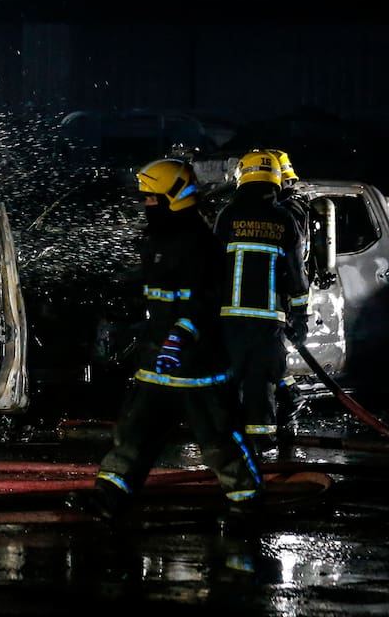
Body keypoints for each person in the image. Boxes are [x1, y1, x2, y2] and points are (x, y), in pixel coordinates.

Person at [66, 157, 263, 524]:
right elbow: (154, 288)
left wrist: (179, 339)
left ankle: (247, 503)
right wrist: (116, 290)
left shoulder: (201, 244)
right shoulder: (159, 239)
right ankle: (108, 498)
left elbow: (204, 302)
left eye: (152, 198)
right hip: (157, 362)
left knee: (219, 438)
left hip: (197, 367)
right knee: (133, 435)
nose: (146, 205)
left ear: (176, 197)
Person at [213, 150, 310, 450]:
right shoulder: (285, 220)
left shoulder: (228, 215)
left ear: (243, 175)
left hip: (229, 320)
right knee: (262, 381)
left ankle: (226, 445)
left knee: (228, 381)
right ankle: (263, 448)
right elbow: (297, 275)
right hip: (269, 321)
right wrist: (300, 317)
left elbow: (212, 266)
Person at [267, 148, 311, 441]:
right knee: (274, 355)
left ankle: (291, 398)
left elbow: (294, 261)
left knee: (272, 353)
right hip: (277, 295)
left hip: (279, 295)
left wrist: (299, 314)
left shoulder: (291, 210)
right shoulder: (289, 208)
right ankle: (289, 397)